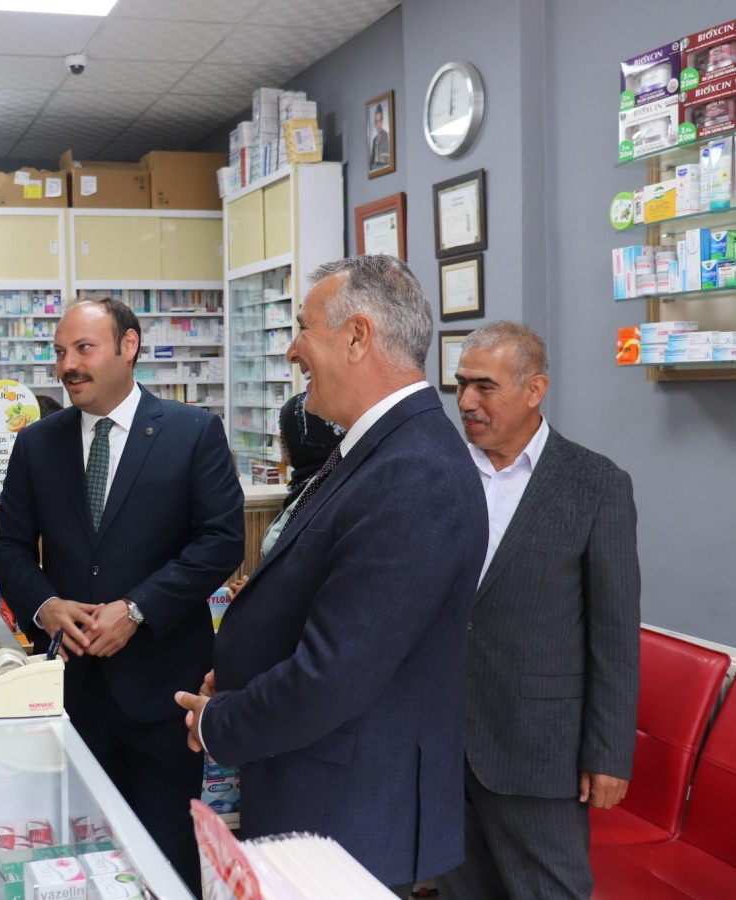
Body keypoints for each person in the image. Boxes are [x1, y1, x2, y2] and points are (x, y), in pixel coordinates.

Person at [175, 255, 487, 893]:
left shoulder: (413, 472)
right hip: (320, 789)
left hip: (349, 812)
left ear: (357, 336)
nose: (292, 350)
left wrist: (219, 722)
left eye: (303, 328)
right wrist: (241, 675)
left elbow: (334, 674)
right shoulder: (378, 448)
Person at [0, 296, 244, 893]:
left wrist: (137, 609)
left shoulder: (191, 432)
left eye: (84, 348)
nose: (67, 366)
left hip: (163, 692)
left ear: (129, 346)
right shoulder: (38, 444)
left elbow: (221, 541)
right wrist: (46, 607)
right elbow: (9, 548)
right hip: (72, 693)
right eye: (59, 352)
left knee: (165, 856)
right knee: (80, 856)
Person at [437, 322, 641, 899]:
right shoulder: (441, 471)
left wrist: (609, 754)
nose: (467, 402)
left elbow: (614, 632)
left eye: (484, 386)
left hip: (539, 749)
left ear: (534, 390)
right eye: (460, 384)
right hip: (444, 740)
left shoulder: (595, 484)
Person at [226, 391, 344, 597]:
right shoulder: (316, 484)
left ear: (302, 438)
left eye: (283, 430)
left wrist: (260, 596)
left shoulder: (322, 490)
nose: (280, 439)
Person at [370, 103, 392, 171]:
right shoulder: (374, 140)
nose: (378, 125)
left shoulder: (388, 137)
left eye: (380, 121)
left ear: (382, 121)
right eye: (376, 122)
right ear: (374, 123)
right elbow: (371, 163)